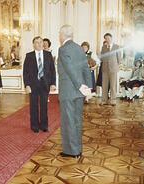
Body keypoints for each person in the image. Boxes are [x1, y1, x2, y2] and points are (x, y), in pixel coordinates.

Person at [57, 25, 92, 158]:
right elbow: (86, 68)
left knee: (68, 121)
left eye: (59, 33)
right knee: (77, 120)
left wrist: (79, 86)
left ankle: (71, 151)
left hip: (69, 91)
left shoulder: (63, 49)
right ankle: (78, 148)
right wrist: (87, 88)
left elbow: (70, 69)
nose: (59, 36)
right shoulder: (78, 48)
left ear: (63, 35)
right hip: (79, 92)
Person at [23, 36, 56, 133]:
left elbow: (52, 71)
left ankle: (44, 125)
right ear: (33, 45)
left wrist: (53, 83)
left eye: (41, 42)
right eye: (37, 42)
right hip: (33, 84)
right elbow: (26, 72)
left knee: (44, 106)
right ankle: (34, 126)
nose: (39, 44)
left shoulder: (48, 55)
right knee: (33, 106)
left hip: (45, 83)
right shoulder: (29, 56)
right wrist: (27, 85)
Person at [100, 33, 121, 106]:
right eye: (106, 39)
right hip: (105, 69)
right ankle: (104, 100)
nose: (107, 40)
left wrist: (116, 66)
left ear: (111, 38)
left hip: (113, 68)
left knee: (113, 85)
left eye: (108, 38)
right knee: (104, 85)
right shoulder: (103, 47)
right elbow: (101, 57)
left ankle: (113, 100)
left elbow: (119, 58)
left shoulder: (117, 46)